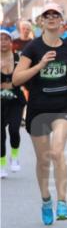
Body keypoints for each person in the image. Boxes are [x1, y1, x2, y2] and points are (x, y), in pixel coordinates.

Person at [12, 2, 67, 225]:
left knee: (57, 152)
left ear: (61, 21)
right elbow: (16, 79)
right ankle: (46, 200)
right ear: (41, 21)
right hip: (39, 109)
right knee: (43, 160)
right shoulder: (33, 48)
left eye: (56, 14)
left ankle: (62, 202)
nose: (51, 17)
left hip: (63, 107)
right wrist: (39, 65)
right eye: (47, 15)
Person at [1, 32, 25, 178]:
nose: (2, 42)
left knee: (14, 130)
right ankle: (1, 164)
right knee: (0, 135)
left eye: (5, 39)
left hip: (16, 100)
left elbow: (26, 78)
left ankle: (14, 156)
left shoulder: (19, 59)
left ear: (11, 42)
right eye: (0, 39)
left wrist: (12, 83)